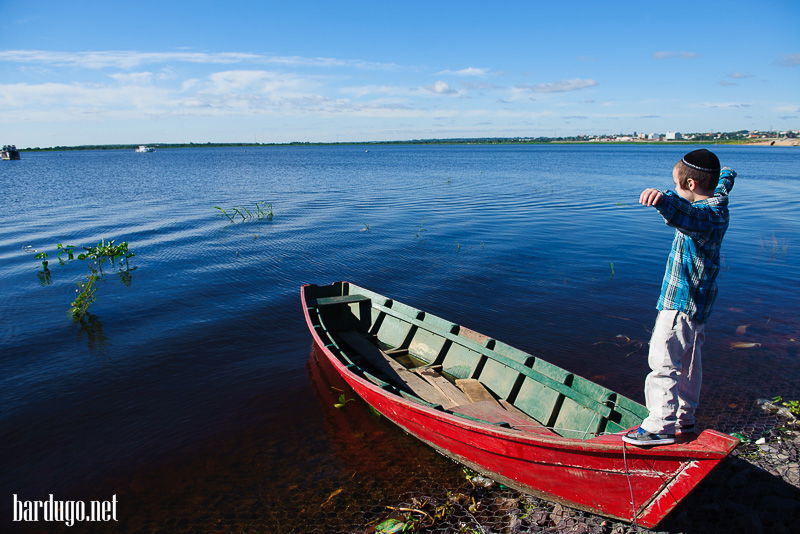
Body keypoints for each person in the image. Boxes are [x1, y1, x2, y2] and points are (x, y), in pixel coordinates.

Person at [622, 149, 736, 446]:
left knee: (664, 363)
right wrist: (726, 173)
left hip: (680, 304)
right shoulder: (718, 200)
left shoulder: (703, 217)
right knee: (689, 366)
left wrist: (662, 198)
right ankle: (685, 420)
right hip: (699, 306)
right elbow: (724, 182)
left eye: (676, 184)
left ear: (690, 185)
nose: (673, 187)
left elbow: (681, 213)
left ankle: (659, 426)